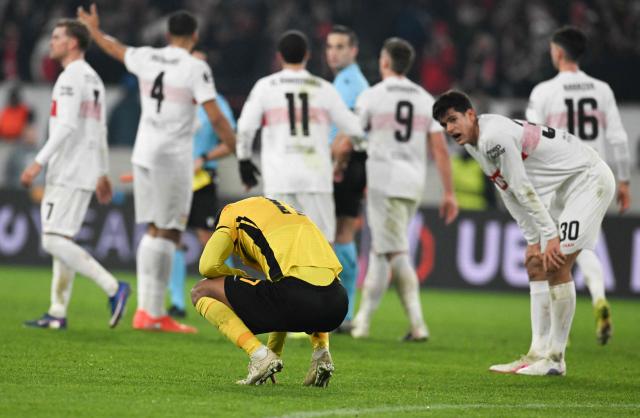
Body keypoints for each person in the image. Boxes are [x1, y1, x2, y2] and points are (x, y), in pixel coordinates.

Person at [433, 90, 615, 376]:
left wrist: (549, 236)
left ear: (471, 115)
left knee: (556, 264)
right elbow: (507, 191)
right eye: (444, 125)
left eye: (453, 120)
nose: (450, 129)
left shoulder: (494, 137)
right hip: (563, 188)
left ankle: (556, 359)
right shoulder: (474, 143)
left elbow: (522, 188)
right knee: (535, 265)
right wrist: (532, 241)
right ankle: (536, 354)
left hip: (589, 179)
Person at [77, 5, 236, 333]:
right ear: (194, 36)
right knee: (170, 231)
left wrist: (93, 31)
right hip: (173, 157)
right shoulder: (195, 68)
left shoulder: (148, 56)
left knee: (154, 228)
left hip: (144, 152)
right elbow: (216, 115)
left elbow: (114, 48)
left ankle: (149, 311)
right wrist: (238, 147)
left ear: (167, 36)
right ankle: (152, 312)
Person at [20, 19, 130, 330]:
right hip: (85, 169)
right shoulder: (93, 79)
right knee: (63, 239)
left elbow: (67, 126)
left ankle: (113, 287)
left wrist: (37, 162)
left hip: (67, 170)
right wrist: (103, 172)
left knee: (53, 240)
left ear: (71, 43)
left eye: (56, 37)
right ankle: (57, 311)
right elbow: (100, 129)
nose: (51, 42)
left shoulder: (69, 78)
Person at [526, 26, 631, 345]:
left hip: (558, 178)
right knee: (582, 246)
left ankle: (554, 334)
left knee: (556, 248)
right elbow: (618, 137)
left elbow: (529, 139)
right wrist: (624, 180)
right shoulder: (602, 90)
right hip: (593, 176)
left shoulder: (544, 91)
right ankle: (598, 297)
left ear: (557, 52)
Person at [350, 38, 458, 341]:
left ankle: (416, 324)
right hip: (412, 182)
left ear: (385, 62)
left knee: (392, 250)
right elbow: (439, 148)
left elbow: (354, 135)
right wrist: (449, 192)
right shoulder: (425, 99)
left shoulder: (372, 96)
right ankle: (364, 322)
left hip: (383, 180)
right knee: (383, 250)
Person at [191, 196, 348, 386]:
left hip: (296, 298)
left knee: (202, 290)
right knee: (295, 287)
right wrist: (274, 354)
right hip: (337, 304)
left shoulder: (229, 214)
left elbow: (207, 266)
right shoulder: (286, 214)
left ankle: (258, 356)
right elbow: (283, 303)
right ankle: (321, 354)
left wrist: (235, 274)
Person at [235, 30, 364, 244]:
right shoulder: (324, 88)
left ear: (279, 56)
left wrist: (244, 161)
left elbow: (246, 126)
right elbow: (354, 128)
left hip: (280, 179)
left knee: (279, 247)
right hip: (316, 180)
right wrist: (360, 150)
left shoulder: (265, 87)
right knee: (320, 247)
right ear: (307, 55)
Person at [167, 51, 235, 318]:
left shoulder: (216, 103)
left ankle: (232, 297)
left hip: (203, 177)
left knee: (210, 240)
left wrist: (204, 157)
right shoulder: (174, 98)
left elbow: (231, 141)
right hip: (175, 177)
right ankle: (176, 302)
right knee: (172, 236)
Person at [324, 25, 370, 333]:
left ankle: (344, 310)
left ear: (353, 50)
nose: (334, 52)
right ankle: (346, 311)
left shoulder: (350, 82)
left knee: (339, 232)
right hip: (347, 163)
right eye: (330, 46)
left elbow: (348, 129)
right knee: (341, 233)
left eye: (340, 46)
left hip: (344, 163)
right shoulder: (344, 80)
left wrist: (335, 163)